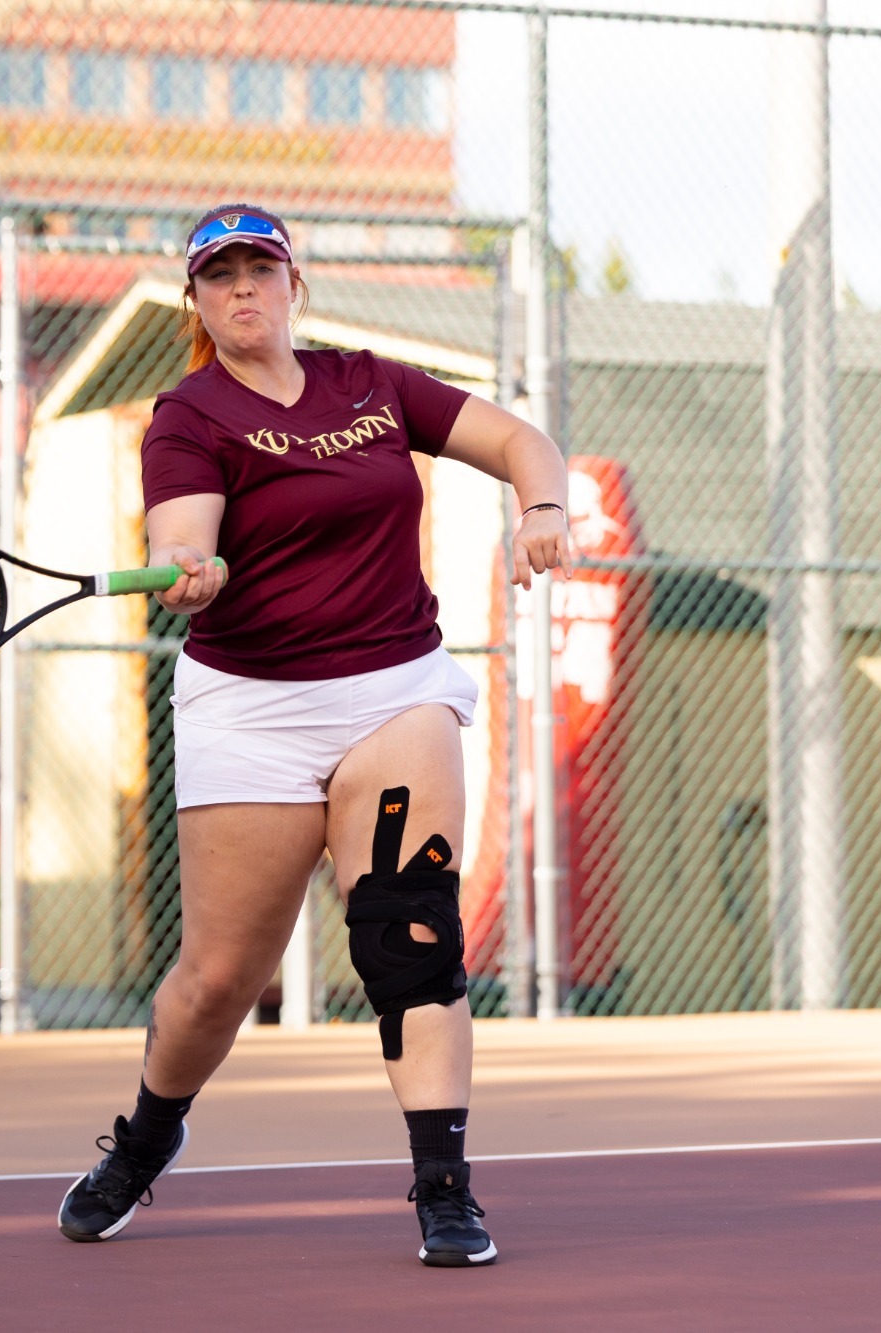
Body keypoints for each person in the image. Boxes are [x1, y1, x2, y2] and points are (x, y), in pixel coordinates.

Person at [56, 204, 572, 1267]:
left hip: (392, 687)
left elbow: (518, 440)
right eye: (219, 275)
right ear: (197, 302)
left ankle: (442, 1188)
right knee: (215, 983)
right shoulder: (187, 417)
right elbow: (180, 536)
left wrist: (541, 505)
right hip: (250, 707)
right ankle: (148, 1136)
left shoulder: (371, 383)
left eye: (260, 267)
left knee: (409, 934)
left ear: (298, 284)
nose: (242, 287)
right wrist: (189, 566)